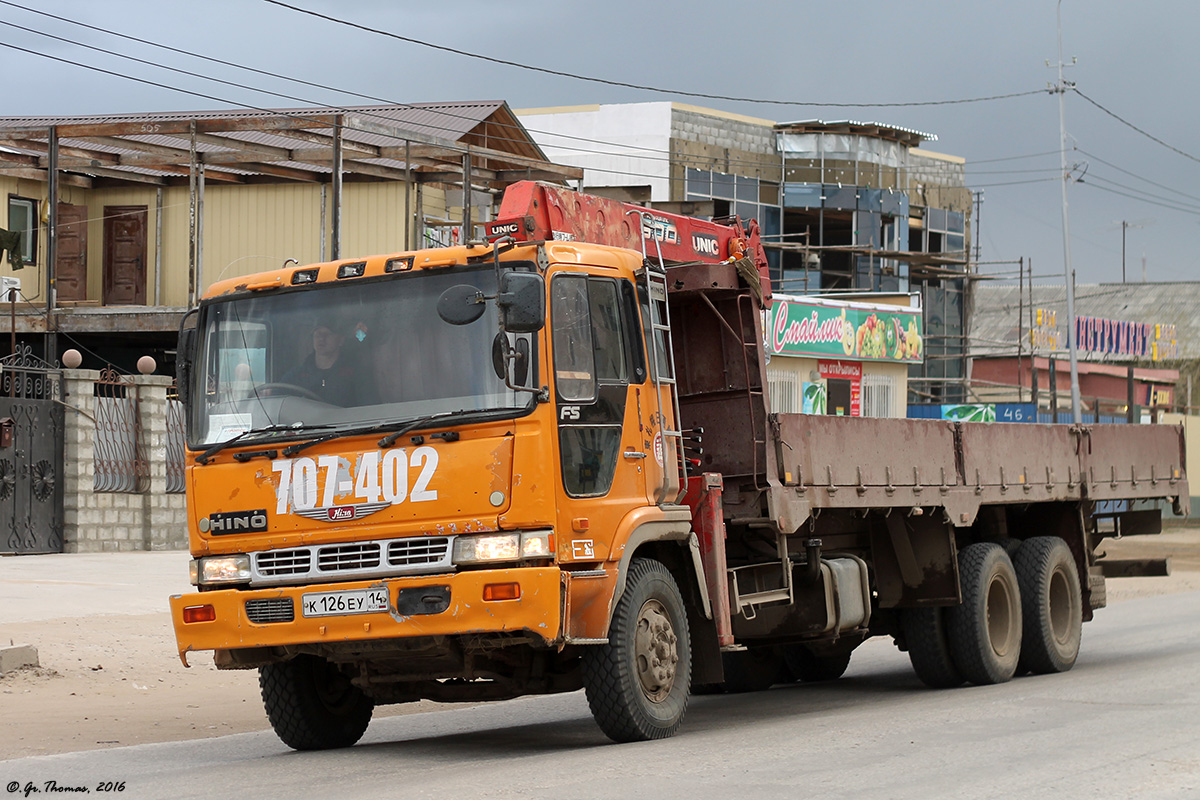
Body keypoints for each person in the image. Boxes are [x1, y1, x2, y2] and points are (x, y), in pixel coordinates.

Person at [279, 316, 363, 406]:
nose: (321, 338)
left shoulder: (356, 373)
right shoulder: (296, 375)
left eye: (328, 334)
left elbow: (368, 408)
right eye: (318, 334)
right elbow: (276, 398)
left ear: (341, 340)